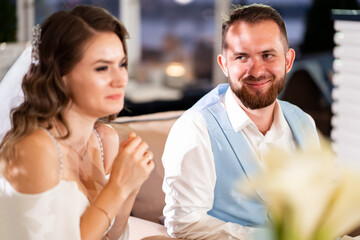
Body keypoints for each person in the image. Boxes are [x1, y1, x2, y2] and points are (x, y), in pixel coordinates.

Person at [0, 5, 160, 240]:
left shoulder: (105, 138)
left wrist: (131, 185)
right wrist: (117, 186)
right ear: (61, 76)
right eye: (102, 67)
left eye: (122, 64)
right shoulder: (34, 147)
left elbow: (111, 235)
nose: (120, 79)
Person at [162, 3, 320, 240]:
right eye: (242, 57)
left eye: (267, 55)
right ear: (224, 64)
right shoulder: (195, 128)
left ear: (288, 61)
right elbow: (185, 224)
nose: (256, 71)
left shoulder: (303, 122)